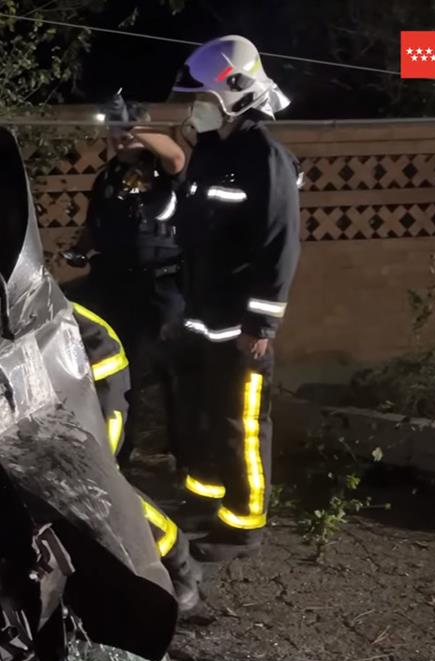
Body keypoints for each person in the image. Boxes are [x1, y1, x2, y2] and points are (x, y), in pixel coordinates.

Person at [167, 35, 303, 561]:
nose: (194, 110)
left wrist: (261, 326)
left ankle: (244, 524)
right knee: (203, 413)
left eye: (202, 100)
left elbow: (279, 246)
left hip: (241, 326)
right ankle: (207, 501)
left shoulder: (265, 158)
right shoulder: (213, 156)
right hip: (203, 315)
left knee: (239, 423)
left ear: (237, 95)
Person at [63, 92, 186, 469]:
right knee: (119, 367)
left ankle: (184, 455)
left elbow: (176, 155)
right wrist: (79, 250)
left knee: (172, 370)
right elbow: (94, 224)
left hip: (161, 285)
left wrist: (136, 127)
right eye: (115, 131)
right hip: (116, 284)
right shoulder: (107, 177)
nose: (120, 138)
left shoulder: (161, 169)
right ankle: (122, 454)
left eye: (128, 131)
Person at [72, 302, 203, 611]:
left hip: (93, 375)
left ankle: (180, 561)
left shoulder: (8, 287)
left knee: (97, 481)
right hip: (37, 386)